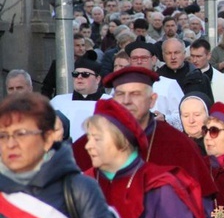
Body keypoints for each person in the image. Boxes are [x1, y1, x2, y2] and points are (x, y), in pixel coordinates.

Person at [0, 93, 126, 218]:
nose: (10, 144)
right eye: (3, 135)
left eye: (21, 133)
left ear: (49, 137)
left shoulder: (79, 188)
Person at [83, 98, 207, 218]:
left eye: (96, 138)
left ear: (121, 140)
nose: (88, 146)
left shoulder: (161, 188)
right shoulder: (83, 185)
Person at [72, 66, 216, 197]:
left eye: (135, 94)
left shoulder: (179, 144)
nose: (127, 101)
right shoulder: (89, 143)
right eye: (121, 94)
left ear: (152, 100)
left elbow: (201, 202)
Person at [51, 52, 111, 141]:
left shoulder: (109, 102)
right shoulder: (58, 102)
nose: (79, 77)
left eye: (85, 74)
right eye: (75, 74)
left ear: (97, 79)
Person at [191, 38, 224, 105]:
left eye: (198, 56)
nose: (194, 60)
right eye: (192, 56)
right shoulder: (185, 78)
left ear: (208, 56)